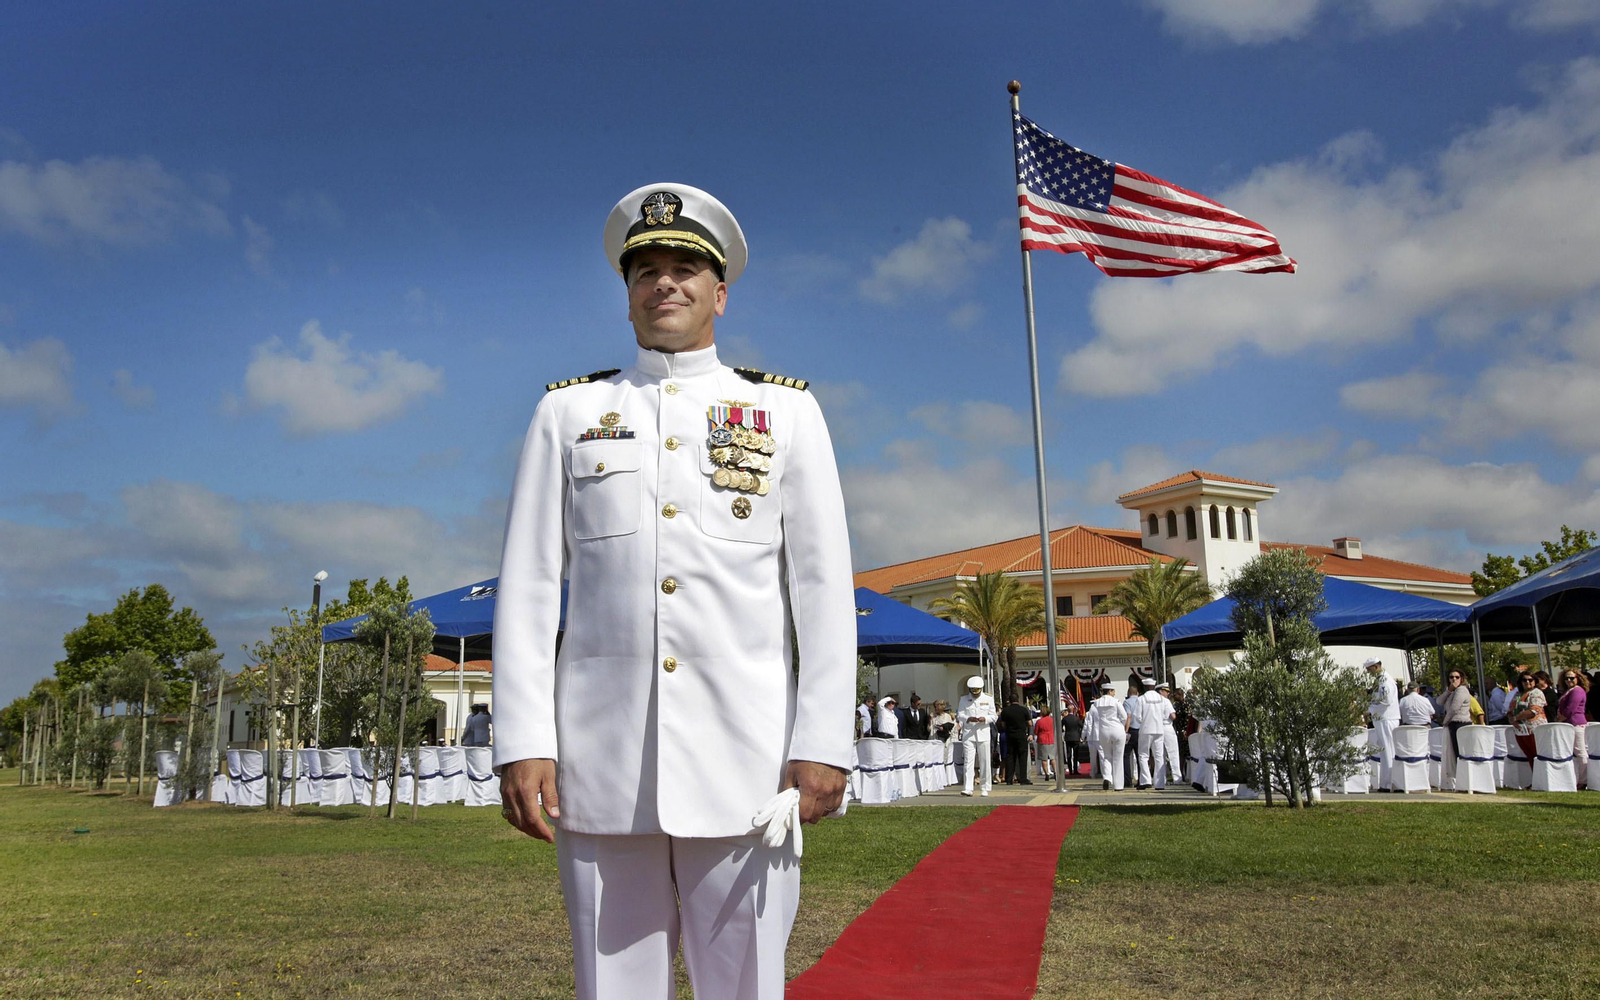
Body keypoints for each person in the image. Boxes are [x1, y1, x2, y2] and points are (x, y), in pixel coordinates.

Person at [492, 182, 855, 1000]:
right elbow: (528, 587)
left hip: (749, 766)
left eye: (686, 268)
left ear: (719, 292)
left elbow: (823, 590)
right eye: (646, 270)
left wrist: (825, 742)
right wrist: (522, 737)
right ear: (625, 296)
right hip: (599, 765)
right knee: (612, 987)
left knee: (746, 987)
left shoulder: (783, 413)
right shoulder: (568, 412)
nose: (666, 283)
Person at [956, 676, 996, 796]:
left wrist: (985, 719)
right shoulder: (963, 699)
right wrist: (968, 718)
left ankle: (984, 787)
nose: (975, 694)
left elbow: (994, 716)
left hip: (983, 733)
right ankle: (968, 787)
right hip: (969, 734)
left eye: (977, 691)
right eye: (973, 691)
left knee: (984, 761)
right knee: (968, 761)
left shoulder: (988, 698)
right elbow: (960, 714)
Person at [1366, 657, 1400, 791]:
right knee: (1384, 751)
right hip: (1382, 719)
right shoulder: (1380, 680)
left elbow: (1386, 701)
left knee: (1388, 751)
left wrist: (1369, 710)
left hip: (1387, 719)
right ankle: (1386, 783)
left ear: (1376, 667)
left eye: (1369, 670)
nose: (1369, 673)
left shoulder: (1385, 681)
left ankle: (1389, 783)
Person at [1089, 682, 1130, 791]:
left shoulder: (1097, 703)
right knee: (1118, 757)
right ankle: (1118, 785)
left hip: (1103, 731)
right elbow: (1124, 716)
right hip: (1117, 729)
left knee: (1106, 756)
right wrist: (1121, 725)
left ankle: (1107, 777)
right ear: (1110, 691)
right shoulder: (1116, 701)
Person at [1136, 682, 1176, 790]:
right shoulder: (1162, 699)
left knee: (1143, 755)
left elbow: (1137, 717)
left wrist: (1144, 721)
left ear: (1144, 687)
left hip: (1146, 729)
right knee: (1159, 756)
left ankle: (1146, 780)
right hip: (1159, 729)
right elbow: (1165, 715)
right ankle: (1159, 783)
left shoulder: (1141, 699)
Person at [1435, 670, 1471, 789]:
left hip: (1460, 723)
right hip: (1452, 723)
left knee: (1459, 752)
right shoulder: (1452, 691)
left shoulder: (1461, 690)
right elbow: (1439, 701)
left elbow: (1455, 708)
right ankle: (1457, 780)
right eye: (1451, 677)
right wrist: (1449, 690)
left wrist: (1445, 721)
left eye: (1457, 677)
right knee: (1453, 753)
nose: (1454, 679)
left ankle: (1463, 780)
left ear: (1462, 678)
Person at [1556, 669, 1588, 789]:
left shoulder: (1577, 691)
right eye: (1566, 678)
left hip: (1576, 724)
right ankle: (1578, 778)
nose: (1569, 680)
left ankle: (1583, 780)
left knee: (1580, 751)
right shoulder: (1568, 691)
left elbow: (1571, 709)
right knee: (1575, 752)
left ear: (1578, 678)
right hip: (1569, 724)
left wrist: (1559, 719)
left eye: (1572, 678)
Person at [1509, 672, 1546, 772]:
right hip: (1521, 729)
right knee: (1529, 754)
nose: (1527, 682)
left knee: (1537, 754)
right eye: (1524, 680)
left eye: (1530, 680)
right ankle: (1534, 778)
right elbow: (1511, 709)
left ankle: (1541, 777)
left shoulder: (1537, 693)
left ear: (1535, 681)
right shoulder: (1518, 694)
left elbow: (1533, 710)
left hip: (1534, 729)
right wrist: (1512, 719)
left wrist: (1516, 717)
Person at [998, 693, 1033, 785]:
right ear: (1018, 699)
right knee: (1022, 757)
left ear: (1009, 700)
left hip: (1010, 735)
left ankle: (1009, 779)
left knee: (1010, 757)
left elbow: (1003, 724)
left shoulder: (1005, 711)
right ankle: (1023, 778)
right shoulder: (1024, 710)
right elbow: (1029, 723)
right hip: (1021, 735)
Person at [1123, 677, 1144, 790]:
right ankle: (1142, 780)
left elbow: (1128, 716)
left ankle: (1127, 780)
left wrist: (1125, 731)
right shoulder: (1142, 700)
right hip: (1141, 730)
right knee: (1140, 756)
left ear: (1129, 693)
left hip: (1131, 730)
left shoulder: (1127, 702)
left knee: (1126, 756)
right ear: (1137, 693)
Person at [1033, 707, 1058, 780]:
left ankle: (1046, 773)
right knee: (1052, 757)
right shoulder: (1052, 720)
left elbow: (1036, 732)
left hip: (1042, 740)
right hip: (1051, 739)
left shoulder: (1039, 721)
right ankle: (1055, 772)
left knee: (1044, 759)